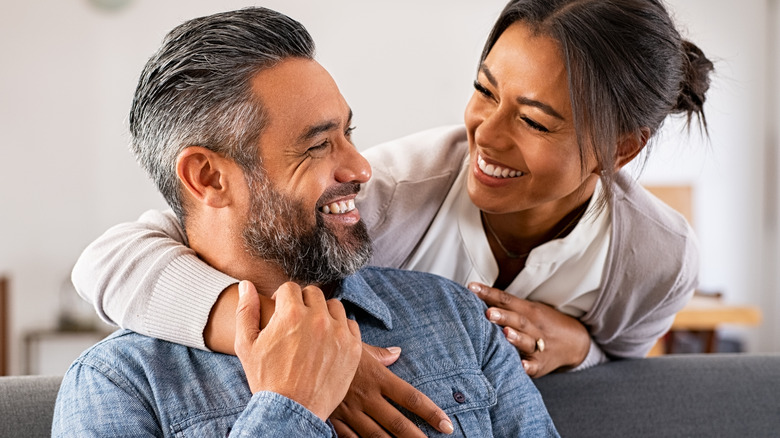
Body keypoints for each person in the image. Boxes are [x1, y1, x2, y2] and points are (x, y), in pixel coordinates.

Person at [53, 7, 559, 437]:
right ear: (208, 177)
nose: (360, 169)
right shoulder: (119, 385)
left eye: (348, 134)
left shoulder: (457, 316)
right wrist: (288, 407)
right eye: (318, 145)